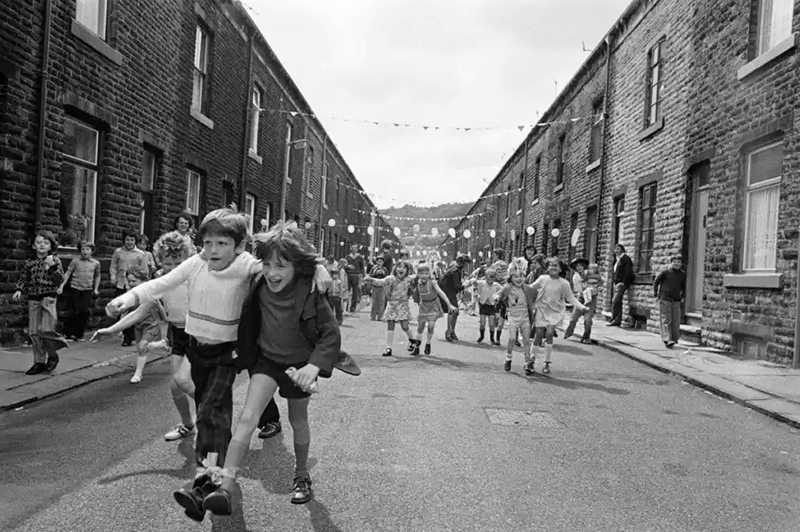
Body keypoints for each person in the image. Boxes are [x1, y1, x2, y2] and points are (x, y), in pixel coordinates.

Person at [104, 208, 331, 523]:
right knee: (209, 417)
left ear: (238, 246)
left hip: (228, 354)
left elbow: (281, 257)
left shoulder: (246, 266)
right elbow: (161, 284)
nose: (212, 250)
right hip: (198, 352)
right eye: (207, 242)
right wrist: (125, 300)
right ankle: (207, 477)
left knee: (213, 414)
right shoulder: (196, 263)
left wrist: (316, 268)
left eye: (221, 243)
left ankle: (220, 479)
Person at [199, 222, 342, 515]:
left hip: (300, 366)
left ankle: (301, 474)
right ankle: (226, 486)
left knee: (297, 420)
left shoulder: (310, 289)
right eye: (267, 264)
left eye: (282, 266)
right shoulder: (258, 282)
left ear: (297, 267)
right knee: (247, 418)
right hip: (266, 361)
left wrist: (313, 367)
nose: (273, 272)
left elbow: (330, 334)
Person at [151, 230, 197, 441]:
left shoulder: (193, 277)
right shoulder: (160, 278)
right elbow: (145, 305)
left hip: (197, 333)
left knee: (183, 381)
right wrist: (113, 329)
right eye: (167, 263)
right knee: (176, 388)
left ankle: (214, 411)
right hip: (177, 333)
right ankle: (188, 425)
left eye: (177, 263)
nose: (171, 269)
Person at [92, 266, 167, 383]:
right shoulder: (130, 297)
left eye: (134, 281)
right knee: (141, 348)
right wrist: (120, 329)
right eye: (129, 281)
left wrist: (166, 319)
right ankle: (160, 344)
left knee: (141, 347)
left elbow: (160, 308)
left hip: (151, 325)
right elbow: (127, 313)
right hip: (138, 325)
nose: (131, 283)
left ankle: (138, 374)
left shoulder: (151, 295)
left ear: (143, 282)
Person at [12, 230, 66, 375]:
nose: (42, 245)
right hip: (33, 298)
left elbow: (59, 280)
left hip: (48, 297)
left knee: (46, 330)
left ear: (50, 246)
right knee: (34, 332)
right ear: (34, 246)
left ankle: (53, 355)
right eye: (39, 242)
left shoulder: (55, 260)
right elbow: (24, 278)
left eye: (46, 242)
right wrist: (19, 290)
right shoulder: (30, 263)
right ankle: (39, 362)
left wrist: (51, 268)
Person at [529, 257, 587, 374]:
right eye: (551, 265)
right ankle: (531, 360)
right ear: (547, 268)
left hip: (555, 311)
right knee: (539, 334)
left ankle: (546, 362)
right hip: (542, 309)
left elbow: (570, 298)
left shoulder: (564, 283)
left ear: (560, 269)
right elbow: (531, 287)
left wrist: (582, 307)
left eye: (556, 265)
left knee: (549, 333)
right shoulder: (543, 279)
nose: (553, 267)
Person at [365, 260, 417, 356]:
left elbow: (417, 276)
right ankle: (389, 348)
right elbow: (381, 282)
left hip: (402, 305)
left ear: (407, 271)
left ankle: (413, 340)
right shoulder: (390, 278)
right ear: (395, 268)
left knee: (405, 326)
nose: (401, 269)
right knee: (390, 325)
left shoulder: (407, 279)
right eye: (399, 267)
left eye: (404, 268)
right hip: (392, 304)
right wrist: (370, 279)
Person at [497, 258, 538, 374]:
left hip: (525, 316)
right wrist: (496, 297)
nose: (519, 279)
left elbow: (537, 294)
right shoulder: (508, 288)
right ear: (510, 278)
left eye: (521, 276)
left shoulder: (527, 288)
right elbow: (499, 294)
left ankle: (527, 362)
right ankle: (508, 358)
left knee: (526, 340)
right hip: (513, 316)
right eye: (516, 276)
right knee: (512, 339)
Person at [109, 231, 147, 346]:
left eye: (132, 240)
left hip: (134, 286)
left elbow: (144, 270)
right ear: (123, 240)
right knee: (119, 309)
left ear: (135, 241)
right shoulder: (118, 252)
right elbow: (113, 265)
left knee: (131, 310)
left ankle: (128, 337)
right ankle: (122, 330)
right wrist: (113, 276)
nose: (129, 242)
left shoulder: (140, 254)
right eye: (127, 240)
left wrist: (142, 283)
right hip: (120, 284)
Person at [59, 240, 101, 341]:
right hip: (75, 288)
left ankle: (78, 334)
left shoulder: (96, 263)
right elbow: (68, 273)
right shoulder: (75, 261)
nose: (85, 251)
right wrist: (61, 286)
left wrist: (96, 289)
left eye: (87, 249)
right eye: (83, 249)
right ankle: (68, 333)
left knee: (83, 311)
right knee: (73, 311)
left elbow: (97, 276)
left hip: (87, 289)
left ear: (92, 251)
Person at [411, 263, 456, 355]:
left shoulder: (432, 282)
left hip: (433, 305)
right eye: (421, 273)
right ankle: (417, 347)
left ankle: (428, 343)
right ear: (418, 274)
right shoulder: (416, 282)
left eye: (426, 273)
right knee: (420, 327)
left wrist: (449, 304)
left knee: (431, 325)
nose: (424, 275)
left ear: (429, 274)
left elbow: (441, 293)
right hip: (423, 305)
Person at [565, 261, 602, 344]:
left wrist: (595, 286)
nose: (579, 267)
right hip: (581, 297)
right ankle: (568, 332)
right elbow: (580, 290)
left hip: (591, 298)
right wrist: (587, 288)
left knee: (588, 319)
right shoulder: (576, 277)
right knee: (574, 317)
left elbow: (599, 280)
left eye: (581, 265)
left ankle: (586, 337)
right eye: (577, 266)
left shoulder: (589, 272)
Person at [653, 255, 686, 348]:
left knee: (676, 320)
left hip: (676, 300)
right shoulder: (665, 273)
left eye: (679, 262)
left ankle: (674, 339)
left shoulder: (682, 274)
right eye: (674, 261)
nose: (676, 263)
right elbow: (656, 282)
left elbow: (683, 286)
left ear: (681, 264)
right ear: (671, 263)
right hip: (665, 298)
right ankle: (667, 339)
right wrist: (656, 294)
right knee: (666, 319)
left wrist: (682, 295)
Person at [438, 254, 471, 341]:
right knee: (452, 312)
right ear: (463, 263)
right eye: (467, 263)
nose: (467, 266)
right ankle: (449, 332)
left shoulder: (456, 269)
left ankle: (452, 331)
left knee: (455, 312)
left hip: (448, 290)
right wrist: (467, 284)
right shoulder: (455, 271)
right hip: (447, 291)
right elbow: (457, 286)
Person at [470, 267, 502, 345]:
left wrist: (498, 296)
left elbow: (503, 290)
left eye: (492, 277)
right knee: (482, 323)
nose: (490, 279)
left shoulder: (496, 285)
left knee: (491, 324)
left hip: (491, 306)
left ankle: (492, 338)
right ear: (486, 276)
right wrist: (473, 280)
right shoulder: (482, 283)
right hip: (483, 305)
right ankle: (482, 336)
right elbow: (473, 282)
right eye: (488, 277)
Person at [609, 244, 634, 326]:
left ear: (622, 249)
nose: (616, 251)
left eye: (618, 249)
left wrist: (623, 282)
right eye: (615, 249)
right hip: (616, 283)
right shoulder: (617, 259)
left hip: (621, 283)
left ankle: (615, 319)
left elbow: (628, 272)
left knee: (615, 300)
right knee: (618, 301)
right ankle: (617, 320)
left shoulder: (625, 259)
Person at [344, 244, 365, 313]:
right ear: (351, 248)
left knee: (355, 292)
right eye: (352, 248)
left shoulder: (359, 257)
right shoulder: (348, 257)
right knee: (347, 291)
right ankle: (345, 307)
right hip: (348, 274)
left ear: (357, 249)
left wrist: (361, 274)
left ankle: (353, 307)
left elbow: (362, 267)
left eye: (355, 248)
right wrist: (347, 267)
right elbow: (344, 265)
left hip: (356, 275)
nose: (354, 249)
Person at [368, 256, 388, 321]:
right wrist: (375, 273)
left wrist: (383, 273)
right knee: (374, 301)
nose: (380, 263)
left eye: (381, 261)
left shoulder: (385, 269)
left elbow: (387, 277)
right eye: (378, 261)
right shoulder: (373, 268)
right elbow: (370, 276)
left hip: (382, 286)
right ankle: (373, 315)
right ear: (376, 262)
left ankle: (380, 316)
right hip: (375, 286)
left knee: (382, 301)